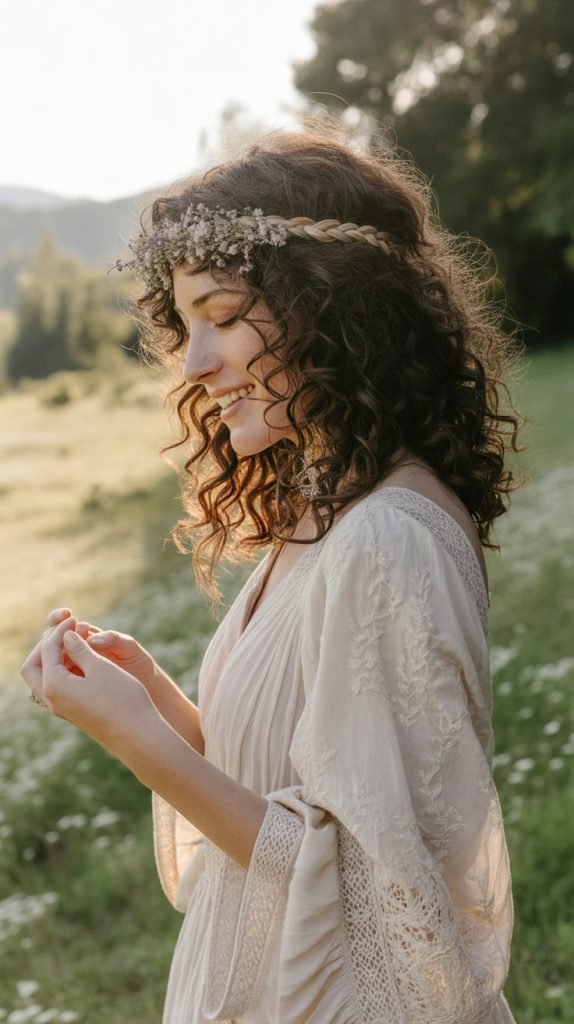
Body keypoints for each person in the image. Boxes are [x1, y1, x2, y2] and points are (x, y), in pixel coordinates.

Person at [22, 125, 521, 1023]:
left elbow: (375, 898)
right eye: (187, 325)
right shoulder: (325, 507)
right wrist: (158, 701)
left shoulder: (389, 540)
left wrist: (138, 738)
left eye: (222, 315)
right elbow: (309, 786)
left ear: (336, 306)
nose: (198, 364)